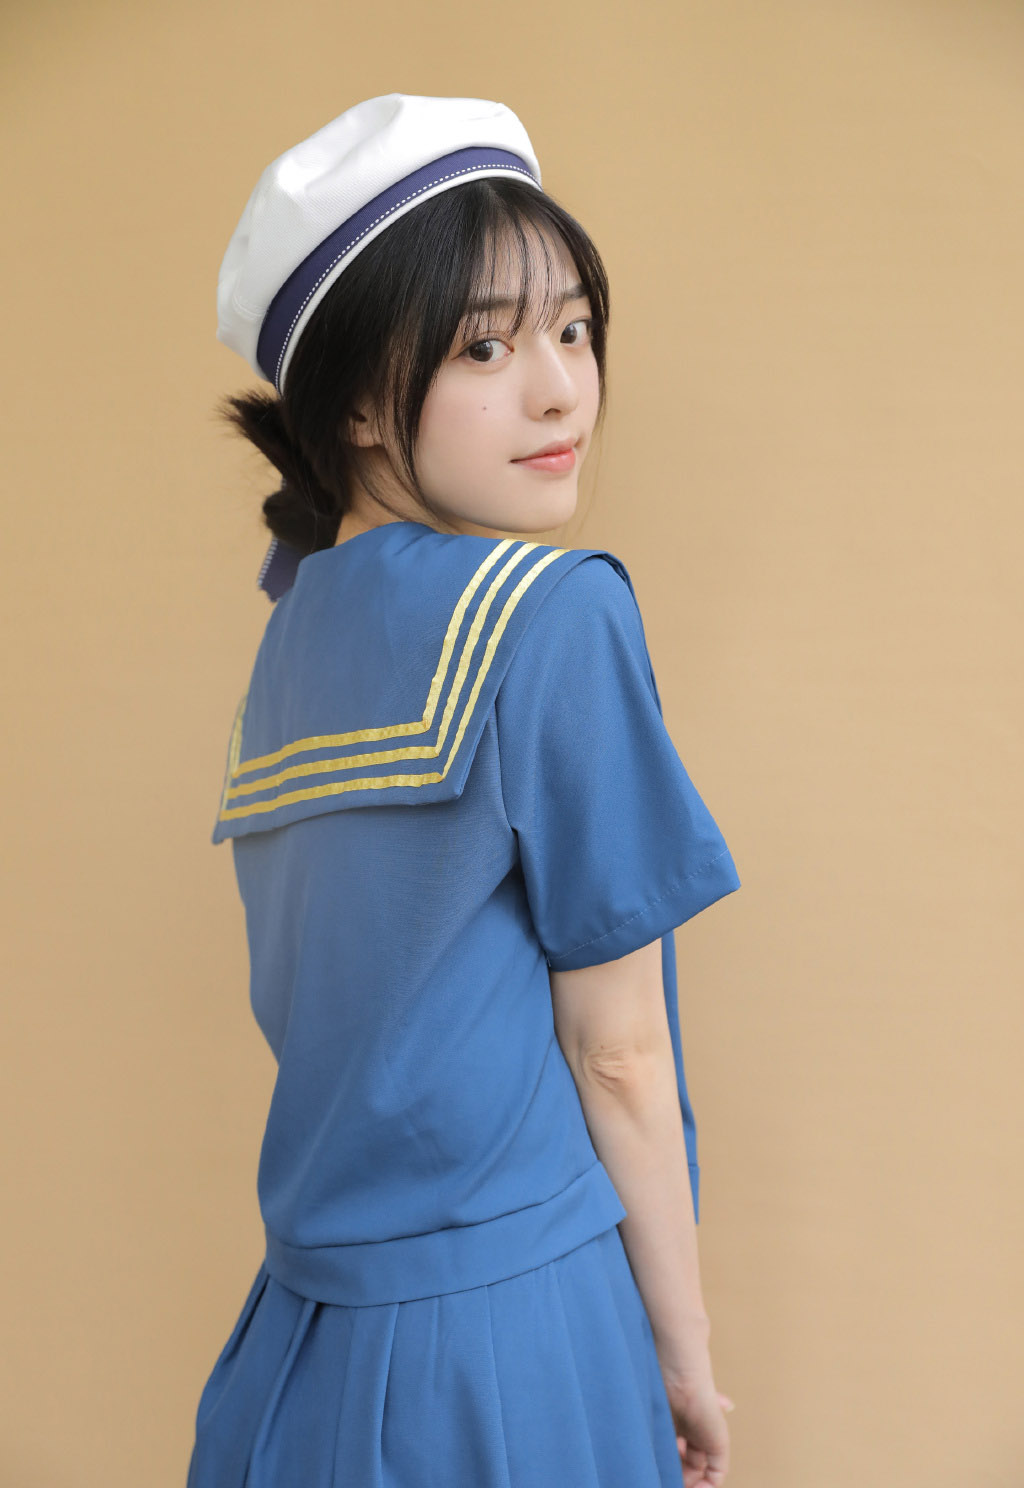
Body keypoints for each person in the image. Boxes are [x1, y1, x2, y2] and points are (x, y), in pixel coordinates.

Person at [186, 92, 741, 1488]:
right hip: (508, 1346)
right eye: (486, 346)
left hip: (292, 1356)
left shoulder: (292, 637)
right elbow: (618, 1055)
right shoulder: (548, 611)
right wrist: (683, 1360)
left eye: (574, 330)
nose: (560, 390)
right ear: (360, 403)